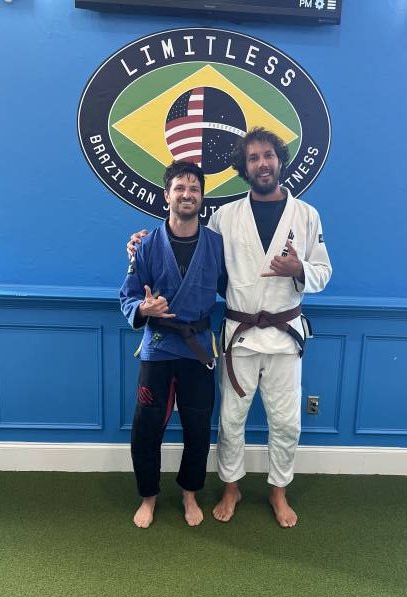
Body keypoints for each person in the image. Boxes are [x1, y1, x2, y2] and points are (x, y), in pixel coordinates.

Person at [127, 128, 332, 528]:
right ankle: (231, 487)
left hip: (285, 334)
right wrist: (139, 245)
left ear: (280, 160)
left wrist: (300, 269)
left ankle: (278, 490)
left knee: (287, 421)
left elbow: (323, 272)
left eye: (268, 155)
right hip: (238, 334)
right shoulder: (225, 217)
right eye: (253, 157)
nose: (262, 163)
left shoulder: (307, 215)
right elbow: (191, 248)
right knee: (231, 420)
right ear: (244, 166)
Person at [120, 161, 224, 529]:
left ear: (202, 197)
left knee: (198, 427)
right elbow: (128, 296)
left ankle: (189, 494)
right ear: (167, 195)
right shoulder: (146, 244)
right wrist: (143, 309)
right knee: (146, 427)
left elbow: (236, 287)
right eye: (180, 188)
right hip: (159, 347)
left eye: (194, 189)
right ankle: (148, 497)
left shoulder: (217, 245)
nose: (187, 194)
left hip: (197, 348)